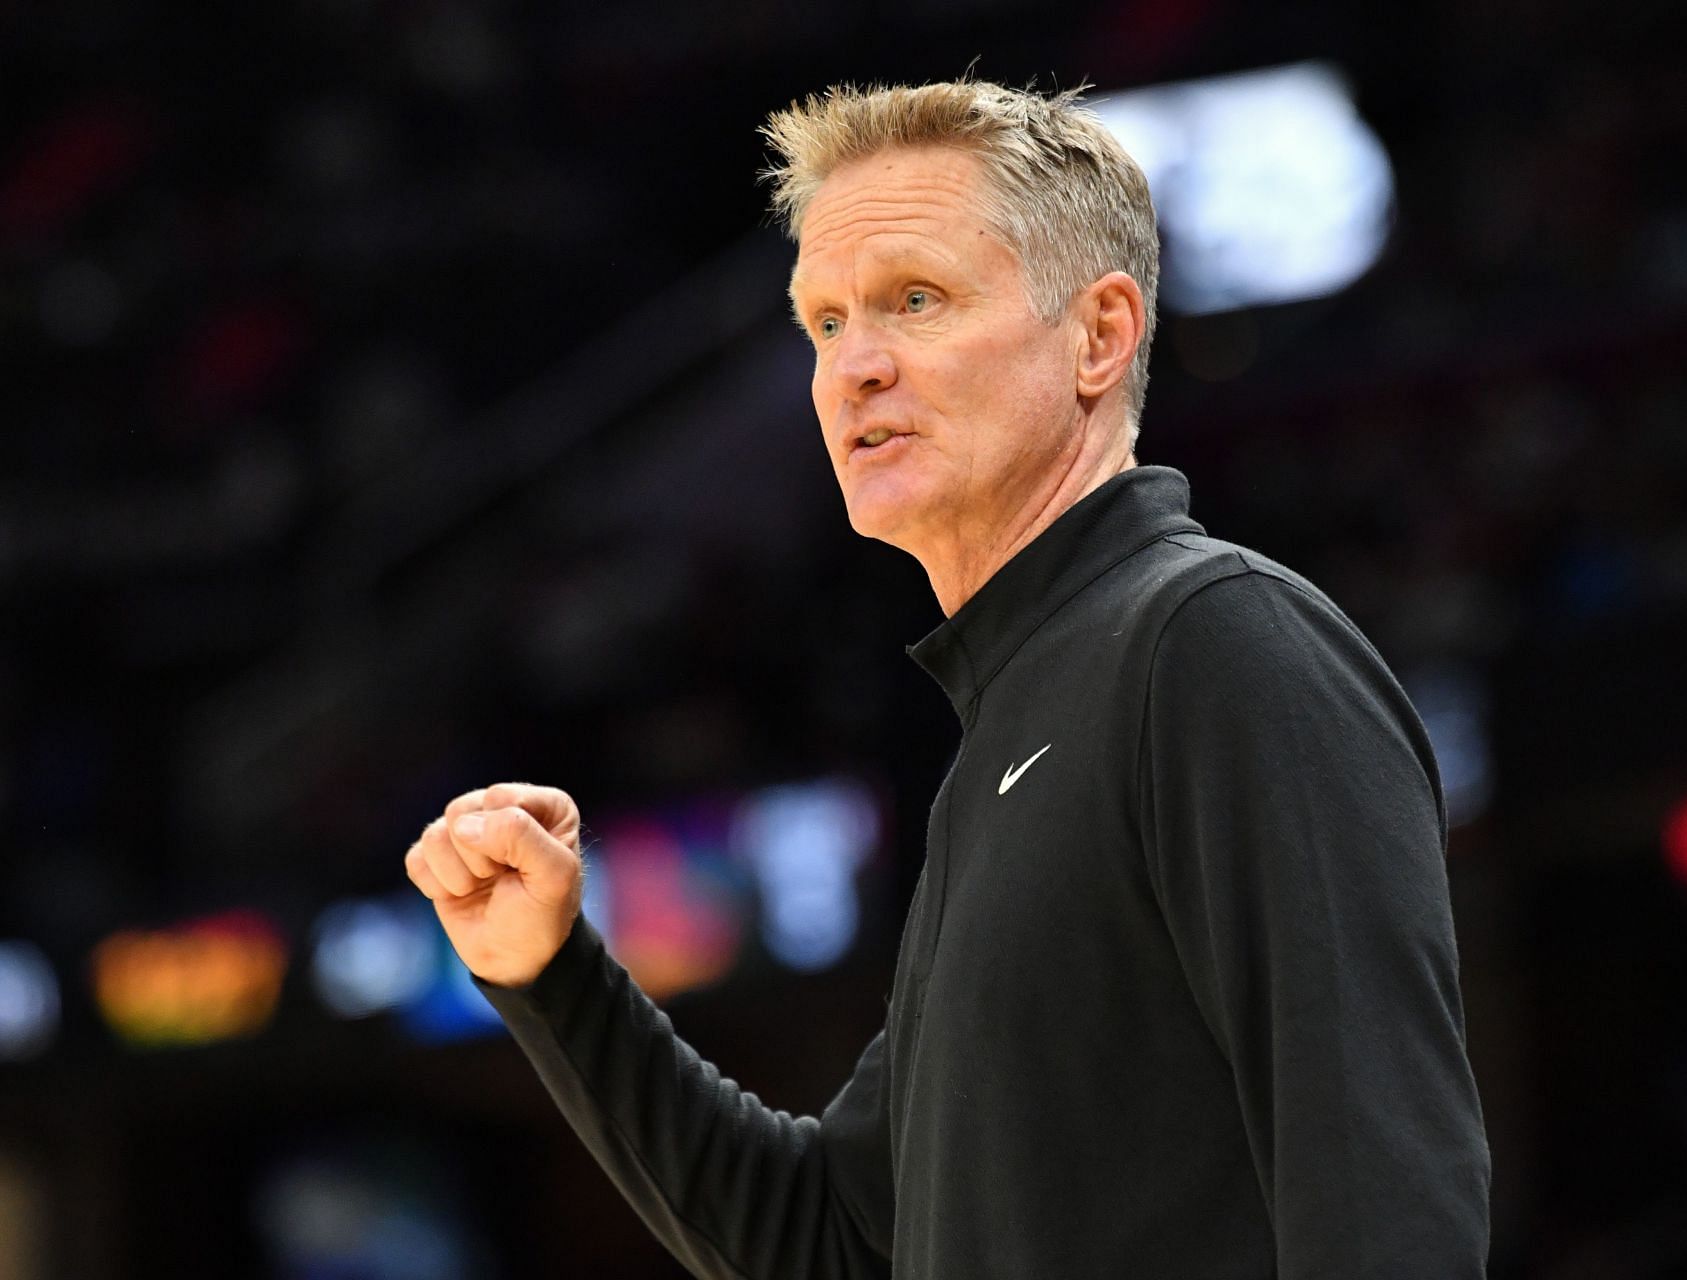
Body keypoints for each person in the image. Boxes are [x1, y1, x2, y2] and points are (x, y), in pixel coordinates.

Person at [404, 78, 1491, 1278]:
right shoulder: (1012, 734)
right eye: (823, 323)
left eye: (913, 300)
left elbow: (1386, 1204)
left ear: (1100, 334)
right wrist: (553, 974)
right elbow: (825, 1236)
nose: (852, 366)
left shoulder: (1217, 645)